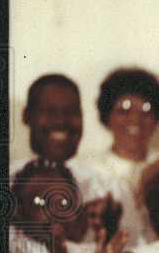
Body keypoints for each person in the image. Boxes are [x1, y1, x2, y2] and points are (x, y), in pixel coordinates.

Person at [87, 67, 159, 246]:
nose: (135, 120)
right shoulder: (88, 170)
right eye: (124, 109)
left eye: (146, 110)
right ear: (107, 116)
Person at [12, 73, 107, 201]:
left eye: (71, 112)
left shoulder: (105, 187)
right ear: (26, 115)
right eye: (49, 111)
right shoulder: (4, 183)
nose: (61, 121)